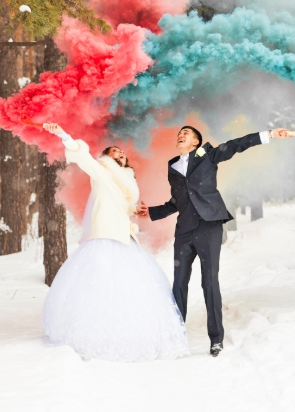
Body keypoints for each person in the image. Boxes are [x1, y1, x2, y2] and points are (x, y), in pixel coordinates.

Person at [137, 126, 295, 357]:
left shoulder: (208, 155)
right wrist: (151, 212)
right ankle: (176, 337)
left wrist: (269, 134)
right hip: (184, 230)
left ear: (196, 142)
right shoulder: (172, 166)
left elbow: (237, 144)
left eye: (186, 133)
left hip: (208, 224)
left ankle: (216, 339)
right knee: (179, 283)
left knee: (209, 281)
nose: (180, 135)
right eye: (179, 134)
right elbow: (177, 201)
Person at [41, 123, 190, 362]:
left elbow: (126, 206)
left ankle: (132, 332)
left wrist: (137, 209)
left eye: (122, 152)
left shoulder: (128, 180)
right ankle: (96, 334)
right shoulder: (101, 171)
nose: (120, 153)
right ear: (106, 158)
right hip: (105, 234)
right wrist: (64, 134)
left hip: (124, 235)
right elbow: (83, 157)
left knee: (130, 285)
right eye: (113, 152)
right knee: (100, 281)